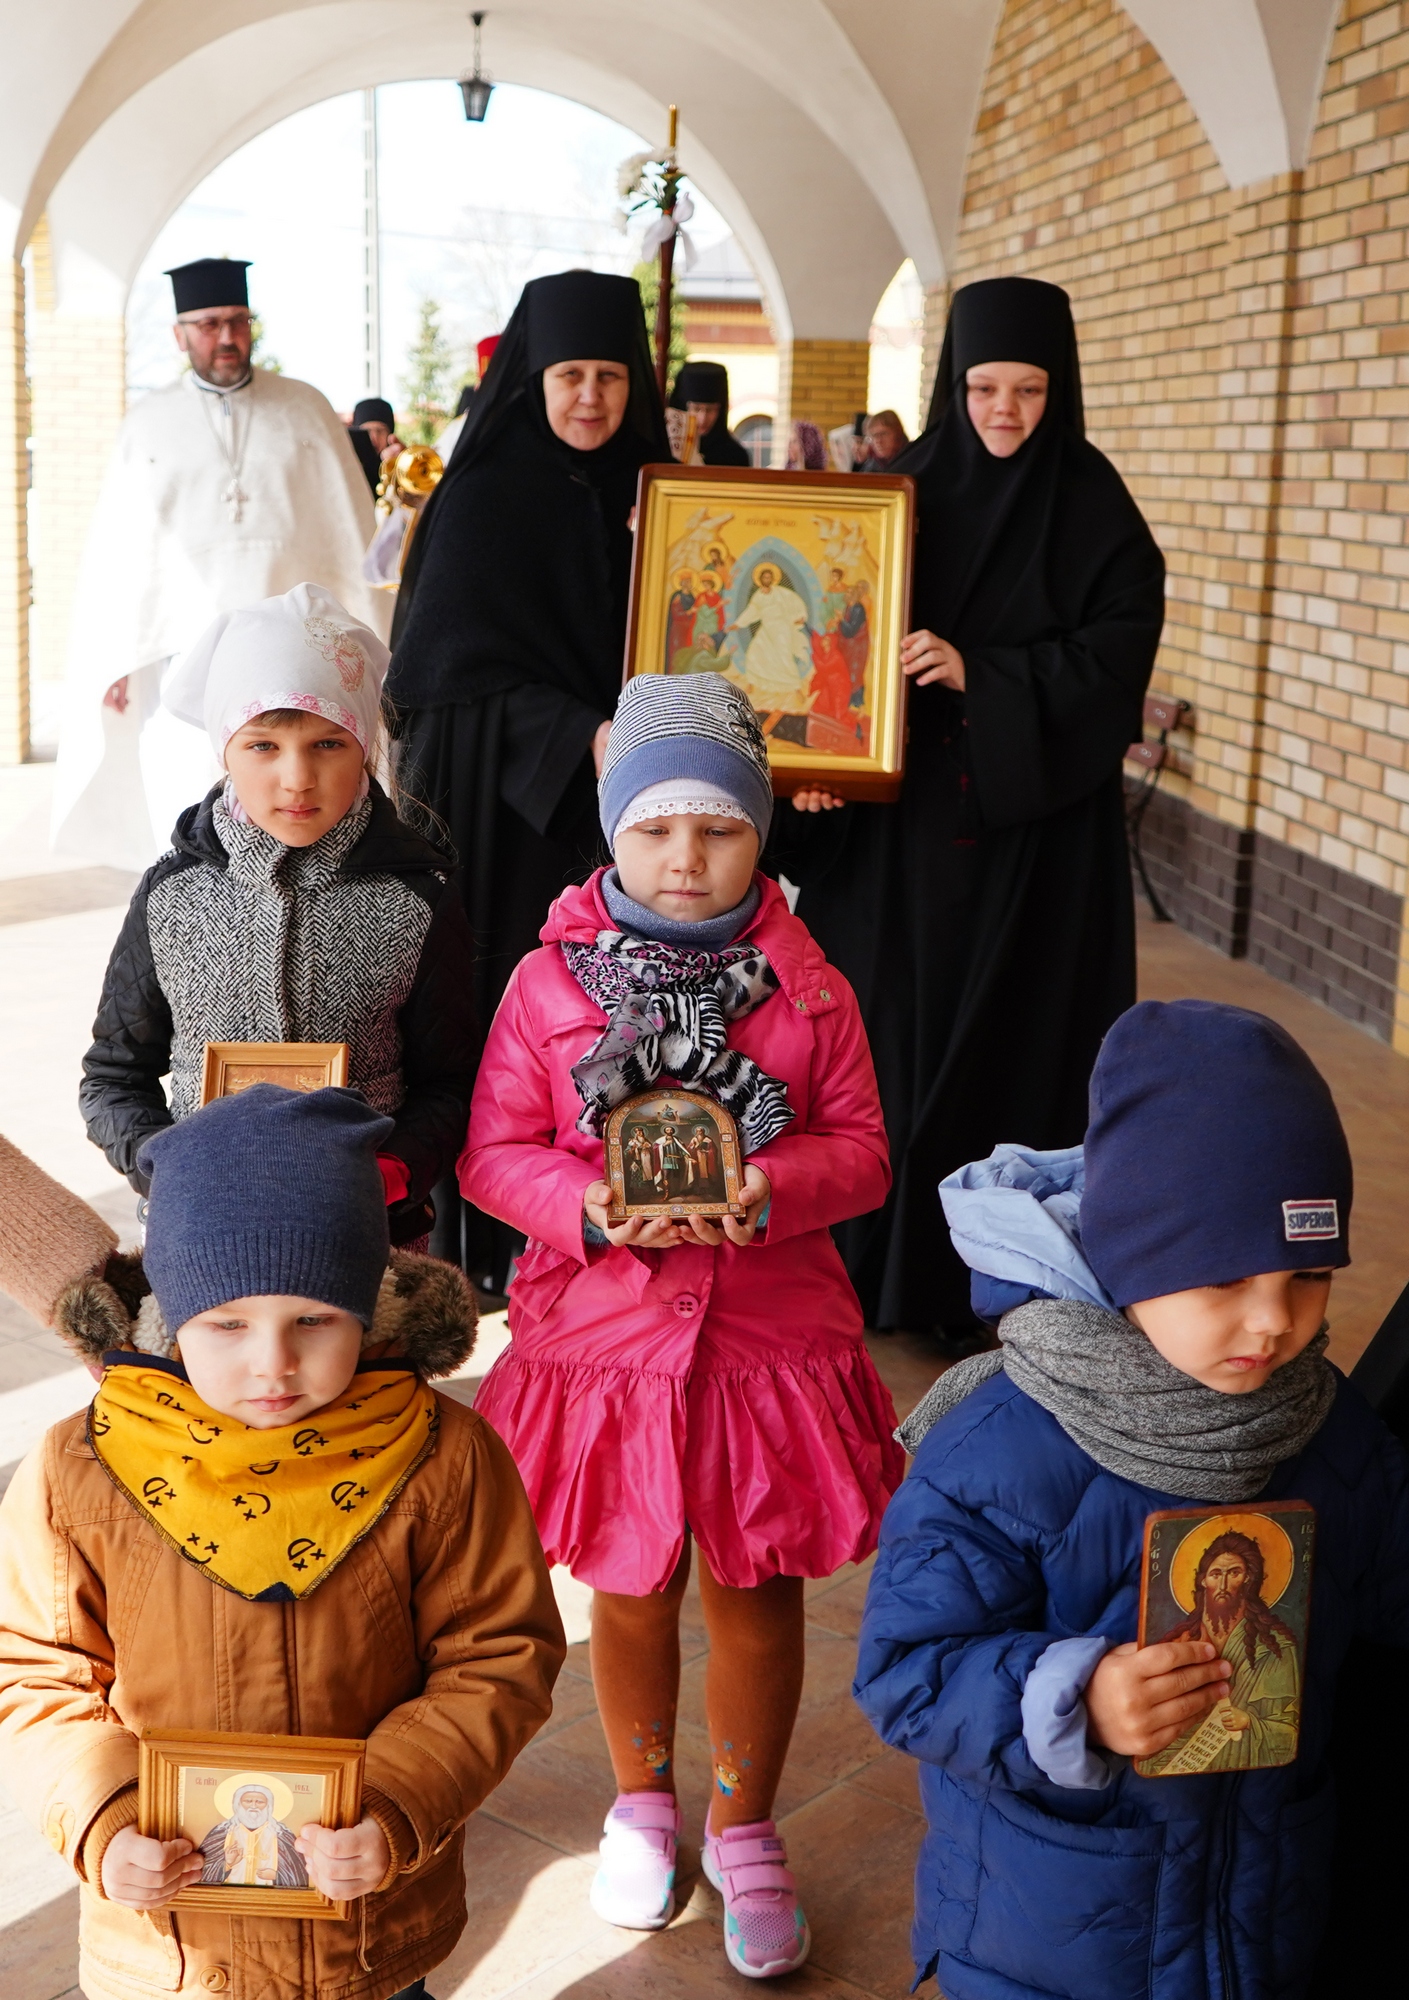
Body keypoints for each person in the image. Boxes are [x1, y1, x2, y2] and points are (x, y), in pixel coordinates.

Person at [461, 672, 903, 1980]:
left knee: (760, 1593)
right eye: (654, 827)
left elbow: (866, 1150)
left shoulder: (808, 986)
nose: (685, 855)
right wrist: (585, 1206)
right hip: (604, 1346)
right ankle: (643, 1803)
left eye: (717, 828)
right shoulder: (547, 986)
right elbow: (494, 1153)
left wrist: (775, 1190)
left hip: (764, 1344)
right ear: (613, 830)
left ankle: (745, 1822)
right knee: (630, 1588)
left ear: (761, 834)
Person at [854, 999, 1409, 2000]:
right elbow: (905, 1669)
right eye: (1221, 1278)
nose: (1272, 1319)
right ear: (1126, 1261)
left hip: (1262, 1910)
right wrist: (1072, 1695)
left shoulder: (1332, 1433)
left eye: (1309, 1274)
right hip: (1049, 1933)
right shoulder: (1003, 1449)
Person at [0, 1083, 565, 2000]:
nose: (272, 1361)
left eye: (315, 1319)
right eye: (226, 1324)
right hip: (168, 1944)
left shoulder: (445, 1458)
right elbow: (36, 1673)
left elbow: (497, 1655)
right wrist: (100, 1817)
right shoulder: (81, 1468)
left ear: (368, 1305)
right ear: (172, 1317)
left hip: (368, 1935)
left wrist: (395, 1803)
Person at [774, 276, 1164, 1343]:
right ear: (952, 384)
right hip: (896, 850)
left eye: (1029, 390)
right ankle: (867, 1275)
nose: (1004, 411)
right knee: (881, 1053)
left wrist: (978, 672)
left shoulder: (1094, 510)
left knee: (1014, 1053)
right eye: (984, 387)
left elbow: (1112, 658)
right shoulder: (892, 496)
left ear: (1059, 388)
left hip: (1034, 851)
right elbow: (824, 641)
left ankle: (989, 1287)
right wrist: (811, 764)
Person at [385, 270, 671, 1285]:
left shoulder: (661, 493)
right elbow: (441, 687)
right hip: (511, 819)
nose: (590, 397)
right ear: (531, 381)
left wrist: (660, 564)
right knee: (517, 1015)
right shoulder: (482, 498)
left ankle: (627, 1205)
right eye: (569, 376)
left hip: (637, 815)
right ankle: (508, 1237)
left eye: (607, 375)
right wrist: (574, 732)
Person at [79, 584, 476, 1250]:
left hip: (371, 1234)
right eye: (263, 746)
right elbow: (113, 1076)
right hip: (199, 1230)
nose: (296, 779)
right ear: (223, 751)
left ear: (365, 749)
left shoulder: (418, 899)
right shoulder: (172, 896)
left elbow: (452, 1084)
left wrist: (389, 1173)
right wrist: (163, 1164)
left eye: (328, 745)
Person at [52, 257, 386, 875]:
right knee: (190, 812)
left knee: (298, 806)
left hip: (298, 656)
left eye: (237, 321)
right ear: (179, 335)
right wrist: (120, 651)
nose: (226, 337)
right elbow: (124, 553)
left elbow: (348, 535)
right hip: (187, 659)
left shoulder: (305, 408)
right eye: (208, 325)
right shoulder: (148, 424)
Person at [667, 358, 751, 466]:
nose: (703, 419)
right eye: (696, 409)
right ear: (682, 407)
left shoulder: (735, 457)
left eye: (711, 410)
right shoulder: (666, 450)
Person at [348, 395, 402, 493]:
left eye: (380, 431)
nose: (374, 438)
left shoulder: (398, 463)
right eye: (367, 431)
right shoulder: (347, 463)